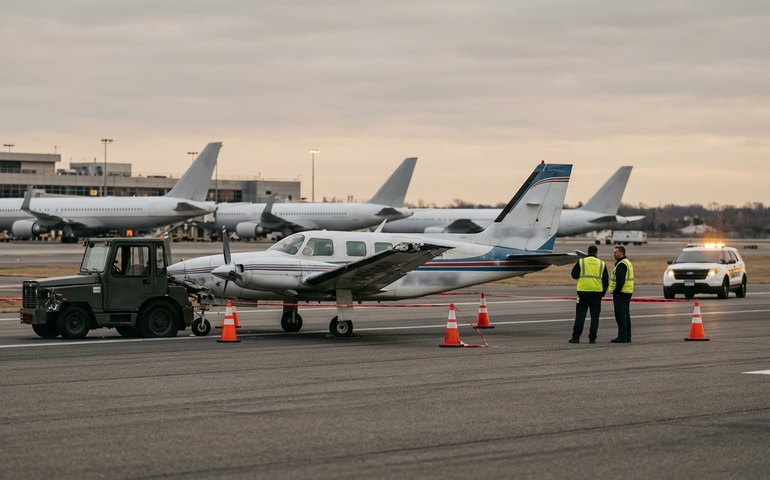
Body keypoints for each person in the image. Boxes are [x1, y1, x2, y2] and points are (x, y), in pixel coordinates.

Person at [569, 245, 608, 344]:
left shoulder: (582, 261)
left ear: (588, 252)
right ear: (596, 253)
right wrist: (602, 294)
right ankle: (592, 338)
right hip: (596, 294)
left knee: (580, 316)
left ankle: (576, 337)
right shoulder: (602, 263)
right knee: (595, 317)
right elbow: (606, 281)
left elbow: (574, 275)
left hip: (583, 293)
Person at [609, 245, 634, 343]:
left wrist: (616, 292)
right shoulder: (627, 263)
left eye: (616, 252)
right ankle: (627, 336)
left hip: (621, 293)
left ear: (621, 253)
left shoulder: (622, 264)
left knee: (620, 315)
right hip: (627, 292)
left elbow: (621, 281)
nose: (614, 254)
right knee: (626, 315)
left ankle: (622, 336)